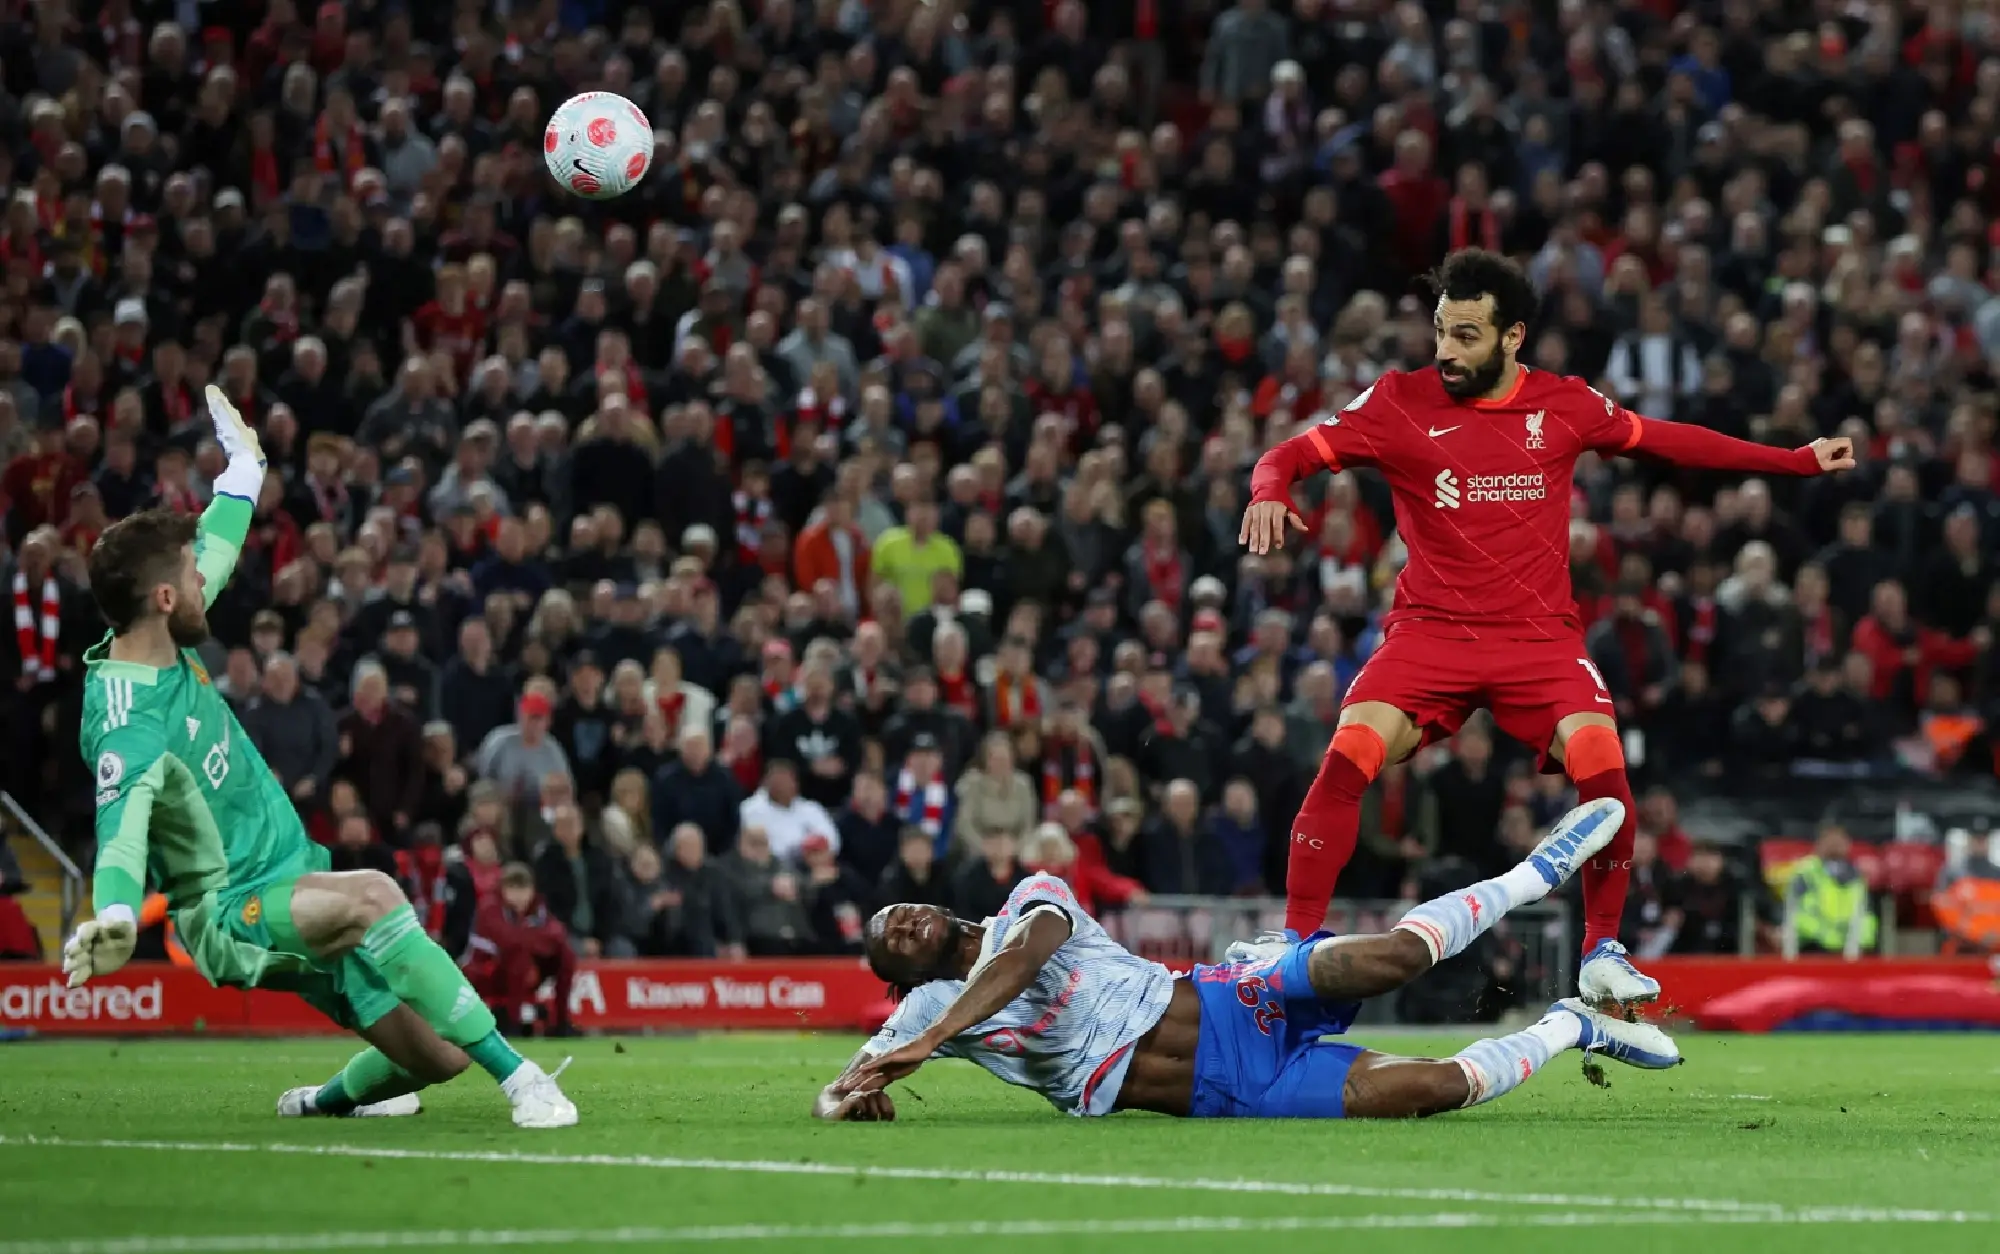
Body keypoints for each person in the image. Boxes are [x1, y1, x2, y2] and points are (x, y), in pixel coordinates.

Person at [1239, 247, 1856, 1008]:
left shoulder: (1564, 405)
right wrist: (1268, 488)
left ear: (1513, 336)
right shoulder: (1399, 402)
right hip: (1431, 634)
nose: (1446, 351)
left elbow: (1670, 438)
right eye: (1440, 331)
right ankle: (1293, 947)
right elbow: (1289, 453)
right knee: (1349, 753)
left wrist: (1793, 463)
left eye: (1466, 335)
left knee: (1606, 775)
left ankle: (1601, 953)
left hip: (1538, 641)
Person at [62, 388, 574, 1127]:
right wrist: (113, 909)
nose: (211, 575)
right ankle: (525, 1081)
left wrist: (243, 464)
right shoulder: (127, 722)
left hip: (290, 870)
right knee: (375, 897)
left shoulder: (163, 629)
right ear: (167, 597)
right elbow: (122, 830)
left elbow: (221, 541)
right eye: (194, 574)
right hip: (230, 911)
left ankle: (322, 1102)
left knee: (439, 1055)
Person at [814, 799, 1680, 1122]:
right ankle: (1572, 1025)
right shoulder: (922, 1018)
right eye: (891, 932)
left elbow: (1016, 960)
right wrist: (847, 1101)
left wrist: (930, 1044)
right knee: (1431, 1091)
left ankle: (1536, 870)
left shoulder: (1032, 899)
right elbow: (834, 1092)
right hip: (1230, 1092)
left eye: (904, 908)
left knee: (1392, 959)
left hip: (1231, 999)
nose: (907, 917)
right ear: (901, 976)